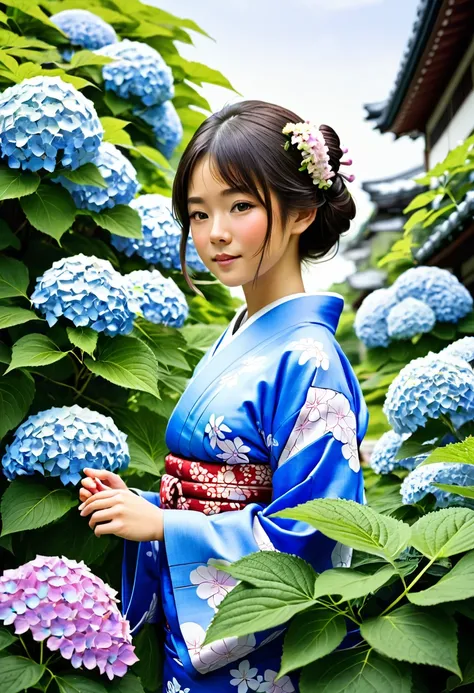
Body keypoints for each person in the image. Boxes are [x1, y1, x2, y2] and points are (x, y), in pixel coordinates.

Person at [78, 100, 368, 693]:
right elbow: (210, 486)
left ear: (302, 212)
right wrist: (138, 504)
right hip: (198, 630)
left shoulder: (309, 359)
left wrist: (167, 527)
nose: (215, 233)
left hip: (256, 657)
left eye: (240, 206)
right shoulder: (237, 339)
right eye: (198, 212)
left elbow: (314, 532)